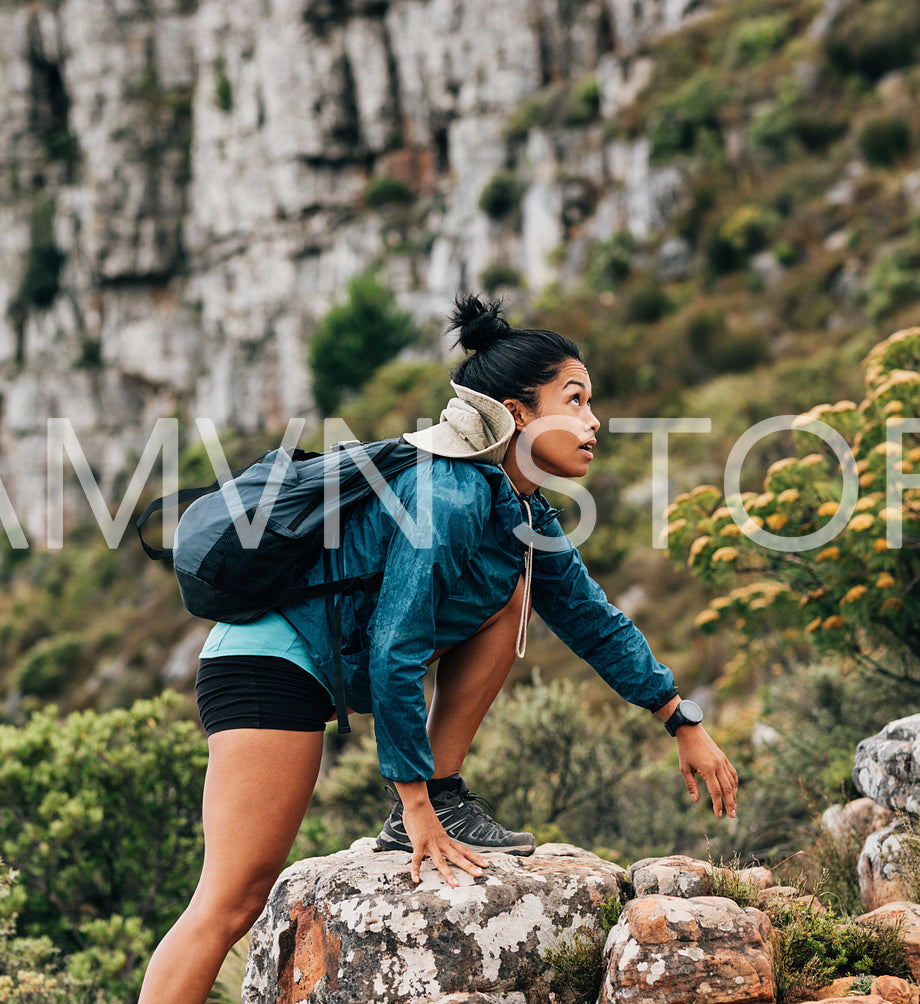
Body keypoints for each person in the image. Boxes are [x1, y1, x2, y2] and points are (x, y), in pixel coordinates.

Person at [138, 294, 739, 1003]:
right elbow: (396, 647)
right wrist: (411, 804)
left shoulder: (515, 505)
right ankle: (430, 800)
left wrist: (679, 715)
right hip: (267, 659)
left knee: (514, 588)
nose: (592, 421)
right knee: (231, 898)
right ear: (517, 414)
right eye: (574, 401)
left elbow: (587, 616)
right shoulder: (447, 494)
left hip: (318, 659)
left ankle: (446, 789)